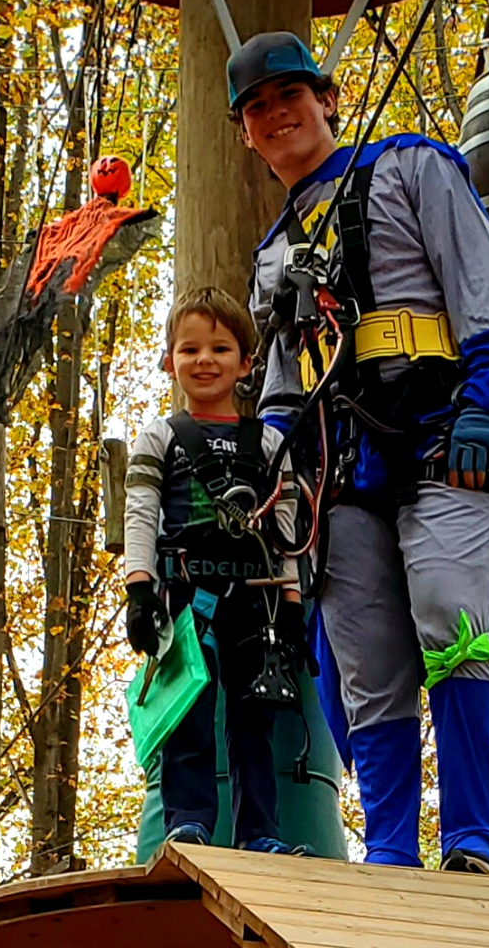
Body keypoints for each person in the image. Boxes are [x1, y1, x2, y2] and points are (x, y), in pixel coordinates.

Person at [231, 32, 489, 874]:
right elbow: (286, 384)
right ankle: (393, 851)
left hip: (442, 432)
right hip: (339, 470)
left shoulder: (411, 167)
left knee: (450, 611)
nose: (276, 114)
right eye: (257, 108)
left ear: (326, 99)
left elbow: (484, 283)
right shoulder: (273, 253)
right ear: (247, 136)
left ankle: (473, 838)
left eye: (289, 95)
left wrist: (486, 401)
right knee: (366, 657)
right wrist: (265, 471)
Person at [123, 286, 312, 854]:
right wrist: (140, 590)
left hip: (258, 600)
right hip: (186, 596)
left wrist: (295, 606)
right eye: (189, 350)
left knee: (255, 717)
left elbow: (285, 533)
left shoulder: (270, 442)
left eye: (220, 349)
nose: (204, 361)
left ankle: (260, 832)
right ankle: (189, 823)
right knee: (189, 715)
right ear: (169, 361)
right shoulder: (160, 438)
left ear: (246, 363)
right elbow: (141, 512)